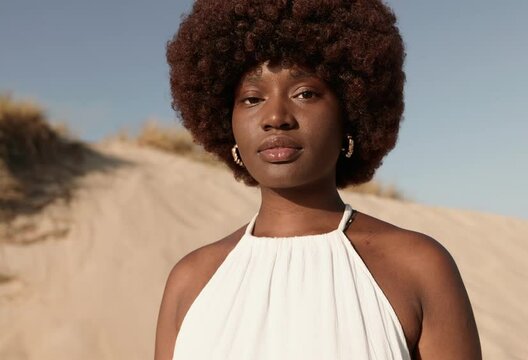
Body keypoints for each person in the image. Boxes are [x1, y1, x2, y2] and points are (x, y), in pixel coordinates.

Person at [155, 1, 482, 359]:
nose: (276, 117)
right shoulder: (189, 282)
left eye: (305, 93)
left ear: (351, 113)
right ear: (226, 124)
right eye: (252, 98)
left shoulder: (419, 266)